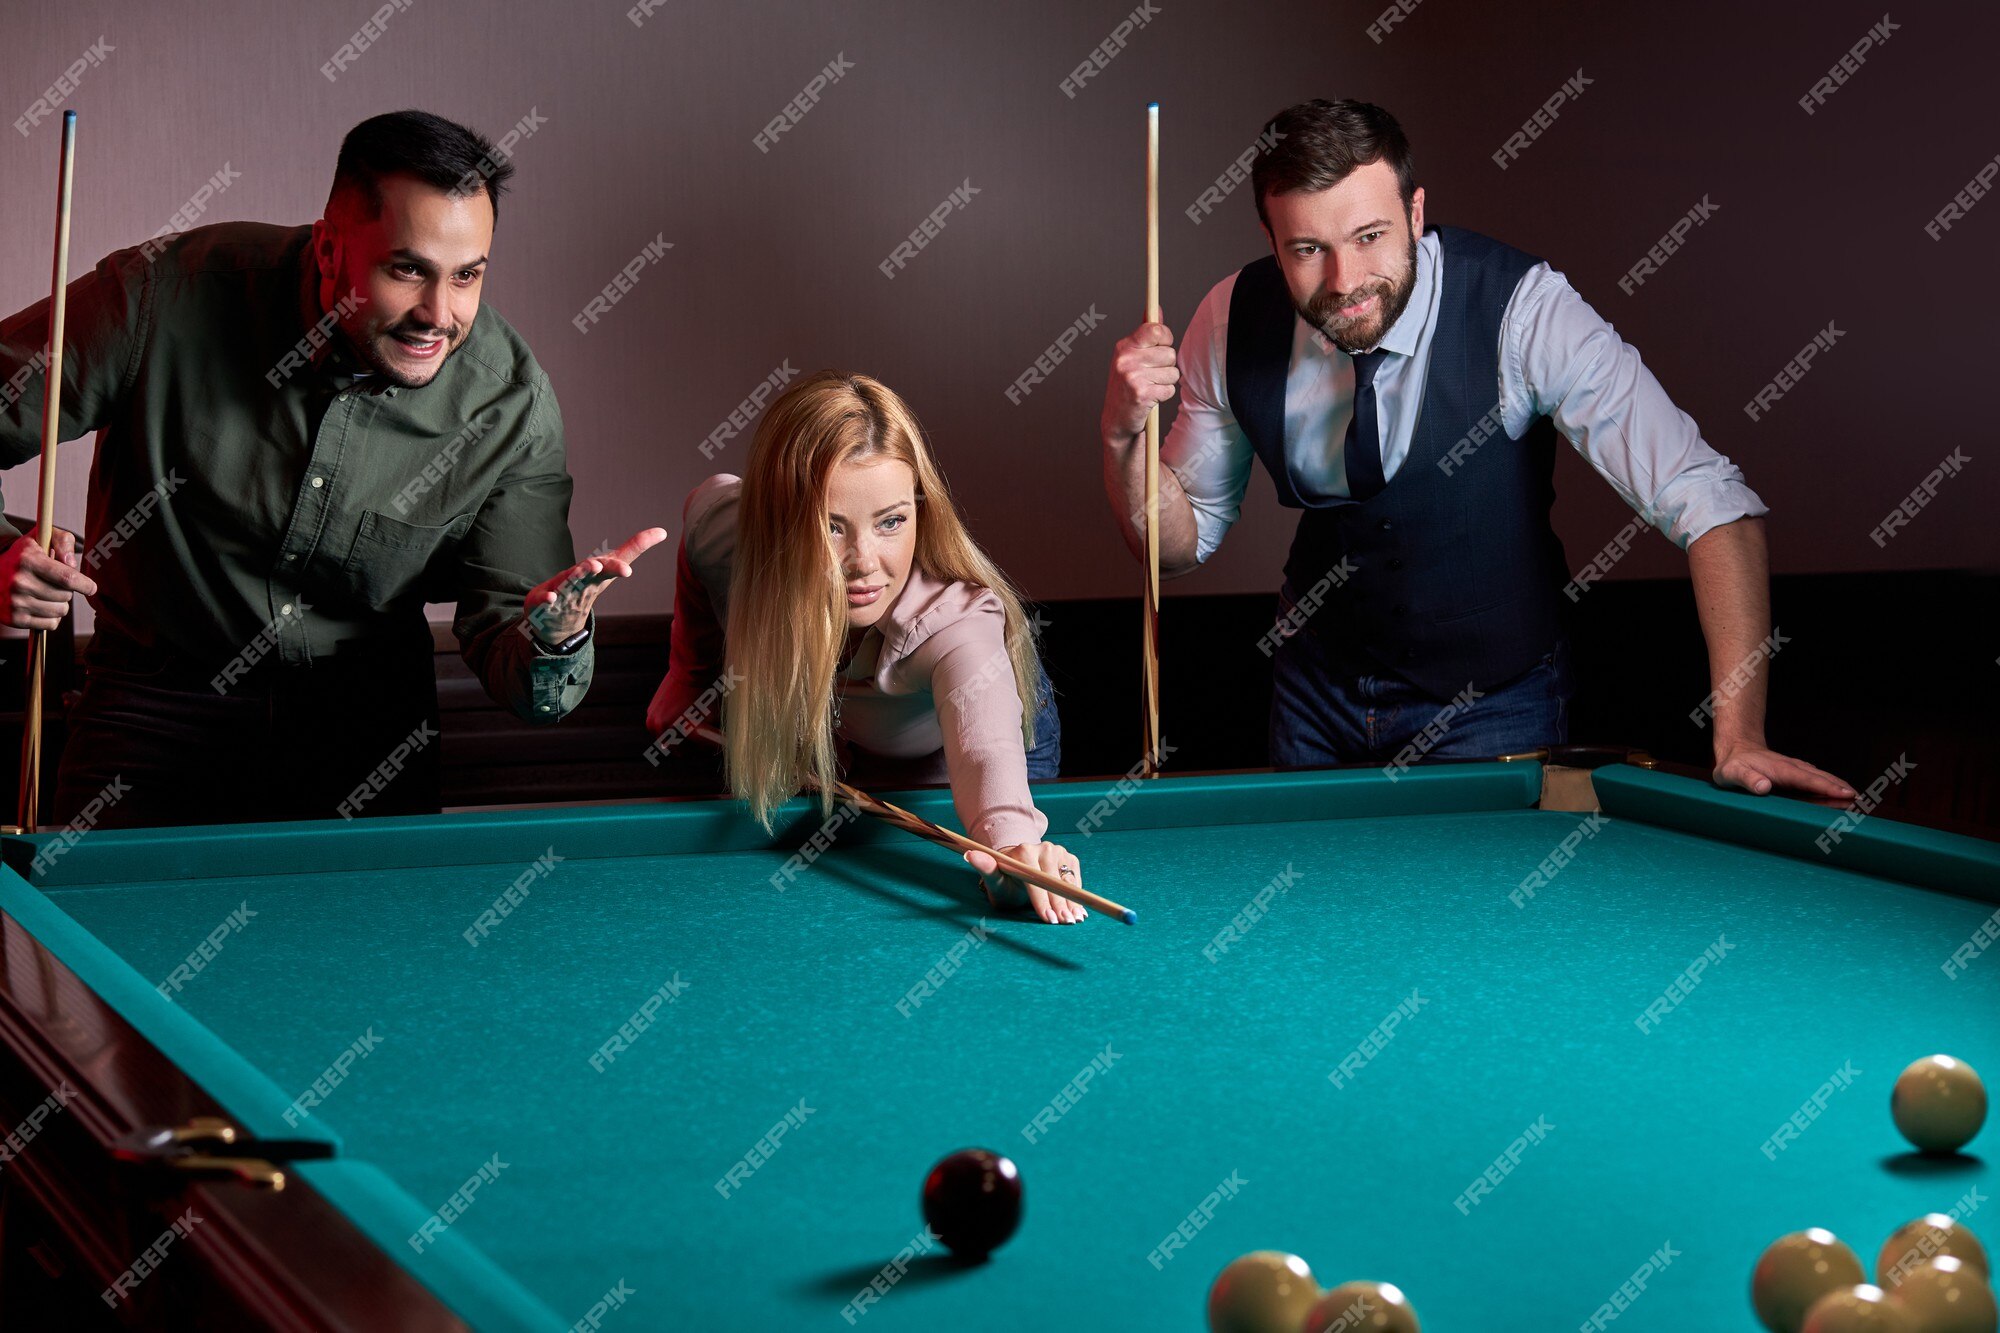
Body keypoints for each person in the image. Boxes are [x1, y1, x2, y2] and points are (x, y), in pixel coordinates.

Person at [1100, 99, 1852, 800]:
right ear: (1271, 242)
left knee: (1481, 931)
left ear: (1416, 213)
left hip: (1493, 702)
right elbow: (1177, 543)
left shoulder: (1525, 312)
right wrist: (1123, 432)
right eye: (1307, 249)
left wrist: (1740, 732)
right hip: (1315, 698)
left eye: (1369, 237)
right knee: (1318, 927)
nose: (1345, 280)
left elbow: (1714, 503)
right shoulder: (1228, 319)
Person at [0, 109, 662, 829]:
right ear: (327, 250)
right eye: (407, 269)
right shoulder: (161, 297)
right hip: (155, 716)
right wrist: (3, 558)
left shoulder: (509, 402)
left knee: (377, 947)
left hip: (369, 737)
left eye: (467, 276)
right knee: (85, 942)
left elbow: (521, 664)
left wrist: (554, 639)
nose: (438, 314)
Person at [646, 371, 1082, 922]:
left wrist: (1014, 849)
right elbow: (700, 519)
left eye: (892, 522)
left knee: (966, 841)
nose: (865, 563)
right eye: (830, 527)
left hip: (979, 729)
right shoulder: (727, 533)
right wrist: (686, 674)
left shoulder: (957, 627)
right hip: (849, 724)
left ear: (921, 511)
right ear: (776, 523)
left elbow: (983, 752)